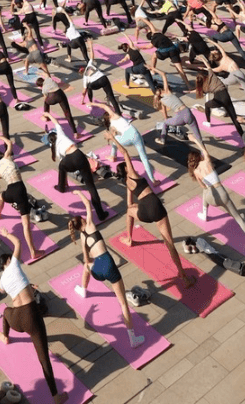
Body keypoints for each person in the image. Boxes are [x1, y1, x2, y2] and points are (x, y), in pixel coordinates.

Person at [0, 228, 69, 404]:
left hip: (16, 320)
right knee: (43, 358)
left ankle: (5, 336)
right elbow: (18, 243)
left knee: (5, 311)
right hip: (31, 316)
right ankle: (55, 396)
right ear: (9, 261)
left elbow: (1, 290)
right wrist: (6, 234)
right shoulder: (13, 265)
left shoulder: (2, 280)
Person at [111, 134, 195, 287]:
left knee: (129, 211)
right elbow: (125, 153)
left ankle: (129, 238)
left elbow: (129, 205)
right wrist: (113, 138)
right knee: (169, 243)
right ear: (125, 169)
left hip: (144, 213)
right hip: (155, 206)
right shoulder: (133, 174)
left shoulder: (127, 184)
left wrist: (133, 210)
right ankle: (183, 276)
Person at [68, 191, 146, 348]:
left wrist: (92, 265)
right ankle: (133, 339)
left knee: (85, 267)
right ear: (82, 220)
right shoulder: (90, 224)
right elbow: (88, 205)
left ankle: (83, 289)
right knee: (123, 303)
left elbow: (86, 259)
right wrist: (78, 193)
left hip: (97, 268)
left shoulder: (82, 237)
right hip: (108, 265)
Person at [186, 136, 245, 248]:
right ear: (200, 157)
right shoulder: (207, 161)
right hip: (221, 193)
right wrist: (195, 140)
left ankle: (204, 213)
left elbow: (203, 187)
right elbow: (204, 150)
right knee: (238, 218)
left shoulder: (195, 171)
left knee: (206, 191)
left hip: (211, 198)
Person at [0, 137, 39, 259]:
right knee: (26, 225)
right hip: (20, 190)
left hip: (10, 191)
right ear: (2, 156)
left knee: (1, 196)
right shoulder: (7, 157)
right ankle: (33, 252)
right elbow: (9, 143)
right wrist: (1, 137)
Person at [42, 112, 109, 221]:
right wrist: (48, 115)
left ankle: (61, 187)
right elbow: (56, 122)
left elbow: (64, 164)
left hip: (68, 161)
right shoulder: (60, 134)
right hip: (79, 156)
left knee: (61, 166)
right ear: (56, 135)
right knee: (91, 186)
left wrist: (65, 180)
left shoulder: (55, 149)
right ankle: (100, 214)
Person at [93, 100, 156, 185]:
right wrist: (93, 103)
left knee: (115, 140)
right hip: (136, 135)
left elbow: (112, 136)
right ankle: (153, 180)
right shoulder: (114, 116)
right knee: (144, 158)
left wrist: (92, 104)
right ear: (110, 115)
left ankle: (113, 156)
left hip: (126, 140)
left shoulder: (111, 125)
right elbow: (104, 106)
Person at [152, 69, 203, 145]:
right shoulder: (167, 92)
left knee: (165, 123)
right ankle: (204, 153)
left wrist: (169, 120)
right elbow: (163, 74)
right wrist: (152, 68)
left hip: (179, 118)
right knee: (198, 136)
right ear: (161, 90)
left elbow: (165, 116)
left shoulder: (162, 101)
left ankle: (162, 140)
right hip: (187, 112)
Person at [37, 68, 78, 136]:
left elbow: (45, 98)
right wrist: (41, 73)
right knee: (67, 113)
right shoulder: (48, 79)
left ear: (40, 86)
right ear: (43, 80)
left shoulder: (43, 89)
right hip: (60, 94)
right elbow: (46, 74)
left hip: (52, 98)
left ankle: (46, 116)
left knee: (46, 102)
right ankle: (75, 133)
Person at [80, 51, 122, 115]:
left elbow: (84, 91)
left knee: (88, 86)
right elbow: (91, 56)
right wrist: (90, 46)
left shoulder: (84, 77)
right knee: (111, 96)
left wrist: (82, 100)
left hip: (95, 83)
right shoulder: (89, 65)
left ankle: (90, 102)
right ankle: (118, 113)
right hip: (103, 78)